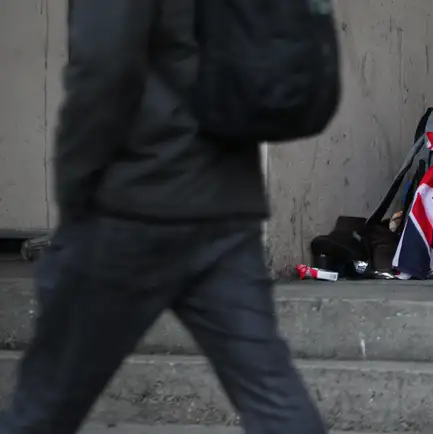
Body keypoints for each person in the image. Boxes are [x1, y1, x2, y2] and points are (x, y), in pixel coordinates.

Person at [0, 1, 326, 433]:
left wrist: (75, 185)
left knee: (41, 408)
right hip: (227, 202)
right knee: (272, 396)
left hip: (132, 204)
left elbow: (102, 66)